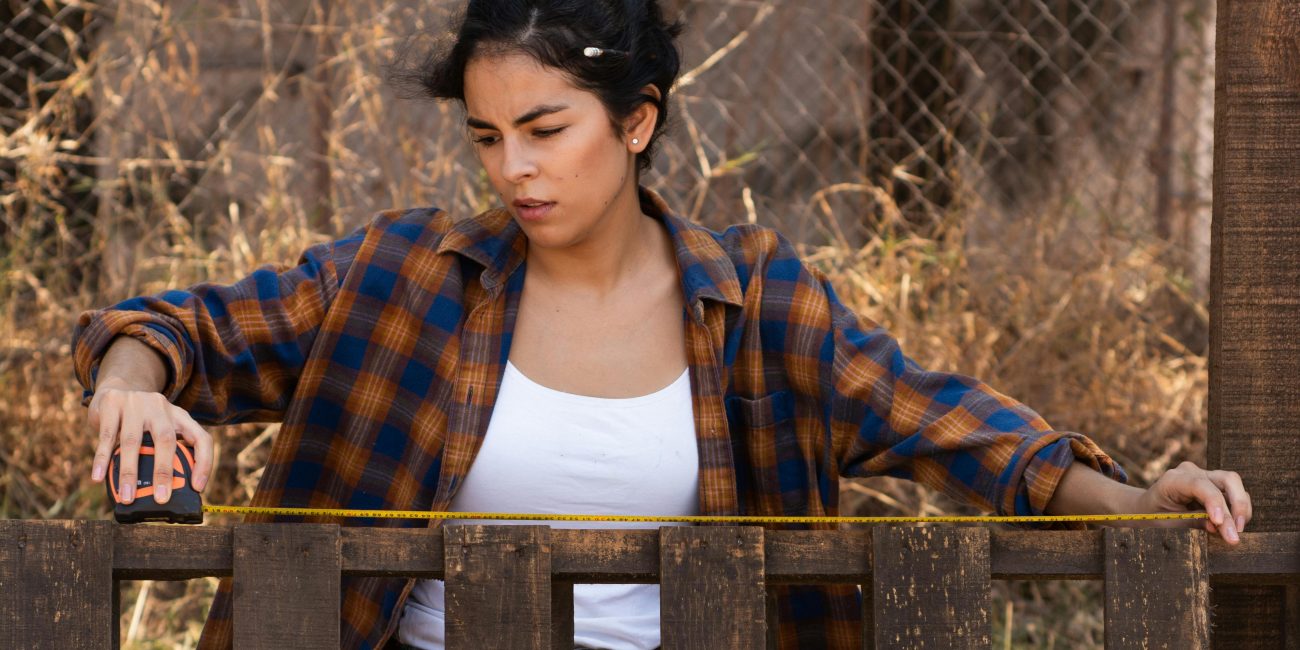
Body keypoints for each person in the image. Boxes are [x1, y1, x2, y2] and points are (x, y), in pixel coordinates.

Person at [72, 1, 1252, 648]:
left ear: (636, 122)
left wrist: (1141, 497)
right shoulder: (403, 275)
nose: (514, 170)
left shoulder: (757, 305)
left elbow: (956, 430)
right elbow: (176, 329)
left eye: (545, 129)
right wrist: (129, 381)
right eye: (487, 138)